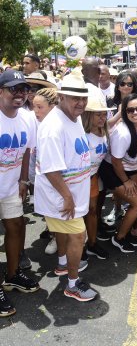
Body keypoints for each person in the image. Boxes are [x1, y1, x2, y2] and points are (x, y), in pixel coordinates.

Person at [34, 74, 97, 302]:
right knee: (78, 236)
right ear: (61, 97)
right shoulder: (53, 127)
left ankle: (63, 263)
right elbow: (51, 170)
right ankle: (72, 284)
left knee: (65, 233)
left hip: (72, 193)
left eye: (83, 98)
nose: (80, 103)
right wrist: (67, 198)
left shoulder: (74, 117)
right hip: (61, 196)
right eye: (74, 98)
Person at [0, 70, 40, 317]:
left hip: (12, 187)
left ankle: (13, 275)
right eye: (14, 89)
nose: (20, 94)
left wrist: (24, 179)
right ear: (1, 91)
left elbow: (26, 151)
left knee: (16, 227)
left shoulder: (27, 118)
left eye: (24, 90)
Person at [98, 94, 137, 253]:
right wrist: (126, 181)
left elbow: (136, 156)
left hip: (129, 169)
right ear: (124, 112)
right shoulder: (122, 132)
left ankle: (130, 231)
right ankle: (119, 238)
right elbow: (116, 161)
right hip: (113, 170)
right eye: (130, 110)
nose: (135, 112)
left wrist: (135, 177)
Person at [81, 96, 115, 259]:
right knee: (80, 214)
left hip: (94, 177)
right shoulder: (82, 134)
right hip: (80, 179)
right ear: (88, 116)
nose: (102, 118)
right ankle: (78, 247)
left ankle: (92, 243)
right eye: (98, 115)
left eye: (104, 115)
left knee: (93, 211)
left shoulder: (105, 131)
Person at [31, 88, 59, 255]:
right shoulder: (37, 122)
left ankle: (58, 239)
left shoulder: (56, 127)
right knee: (49, 213)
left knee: (57, 212)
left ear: (52, 106)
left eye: (40, 107)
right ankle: (53, 233)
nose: (35, 111)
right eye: (34, 106)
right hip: (41, 175)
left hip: (55, 178)